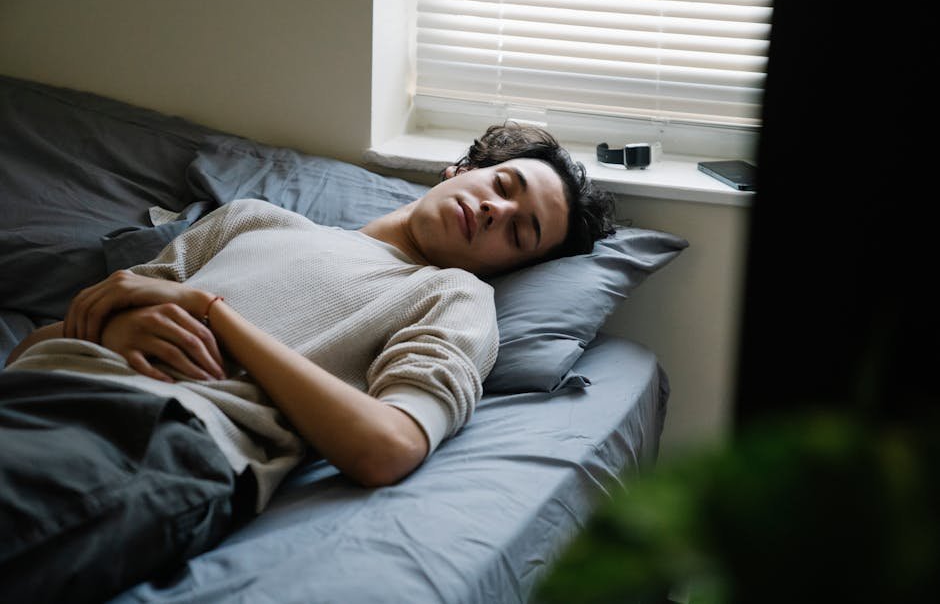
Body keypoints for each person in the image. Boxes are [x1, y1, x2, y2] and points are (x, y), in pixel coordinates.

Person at [0, 122, 615, 602]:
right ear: (460, 170)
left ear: (510, 268)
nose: (495, 211)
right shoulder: (250, 219)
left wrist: (215, 316)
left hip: (157, 433)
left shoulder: (453, 296)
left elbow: (389, 446)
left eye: (520, 233)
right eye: (502, 187)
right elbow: (38, 347)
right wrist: (115, 325)